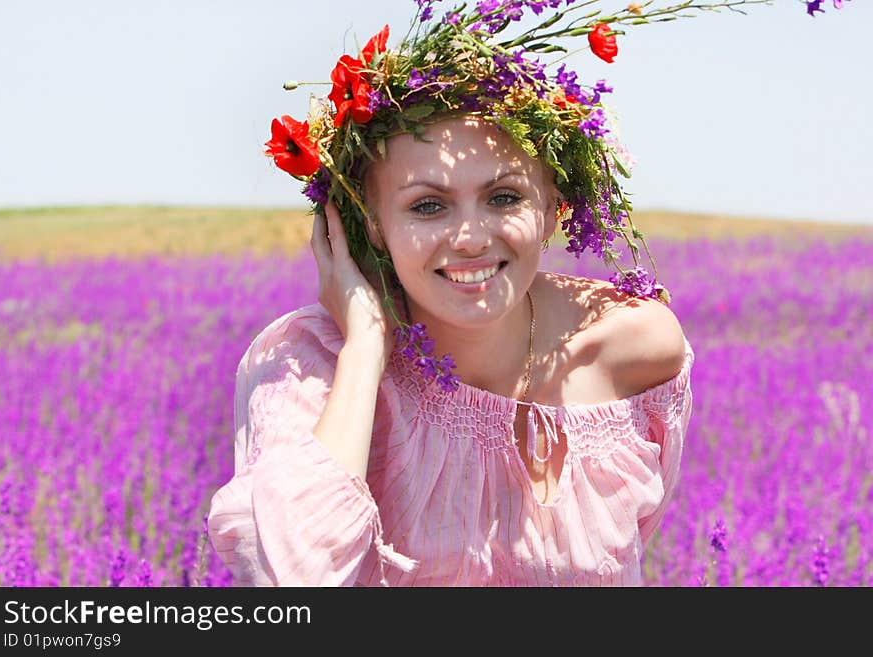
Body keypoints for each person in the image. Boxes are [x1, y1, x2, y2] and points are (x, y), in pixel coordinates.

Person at [207, 1, 697, 586]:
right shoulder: (304, 362)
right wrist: (364, 349)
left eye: (505, 197)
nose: (470, 239)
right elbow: (292, 580)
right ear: (371, 225)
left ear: (551, 210)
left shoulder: (635, 347)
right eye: (428, 205)